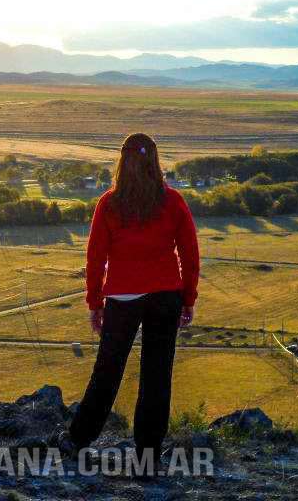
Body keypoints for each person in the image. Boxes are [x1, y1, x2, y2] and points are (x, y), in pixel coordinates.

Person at [68, 132, 200, 466]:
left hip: (122, 298)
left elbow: (95, 258)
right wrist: (188, 297)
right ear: (155, 162)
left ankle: (79, 439)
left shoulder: (109, 204)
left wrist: (95, 303)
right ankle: (148, 454)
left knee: (107, 371)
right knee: (157, 374)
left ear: (122, 163)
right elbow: (190, 253)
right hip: (166, 297)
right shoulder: (173, 202)